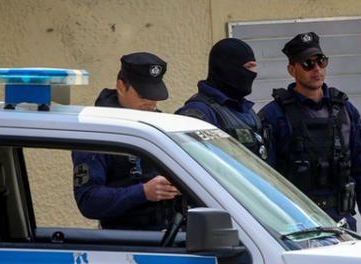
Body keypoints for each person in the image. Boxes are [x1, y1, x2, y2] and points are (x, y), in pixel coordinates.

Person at [259, 32, 361, 233]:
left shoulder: (346, 110)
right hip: (294, 225)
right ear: (291, 69)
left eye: (321, 61)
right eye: (308, 63)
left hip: (342, 223)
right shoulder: (274, 115)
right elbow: (264, 179)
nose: (316, 69)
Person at [73, 52, 179, 229]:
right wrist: (143, 192)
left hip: (169, 234)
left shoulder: (159, 124)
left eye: (155, 96)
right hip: (126, 238)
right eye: (143, 96)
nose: (151, 105)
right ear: (121, 87)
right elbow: (88, 200)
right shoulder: (96, 131)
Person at [176, 38, 268, 159]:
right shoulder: (199, 113)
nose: (253, 73)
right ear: (228, 68)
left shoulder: (245, 109)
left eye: (254, 67)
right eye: (248, 66)